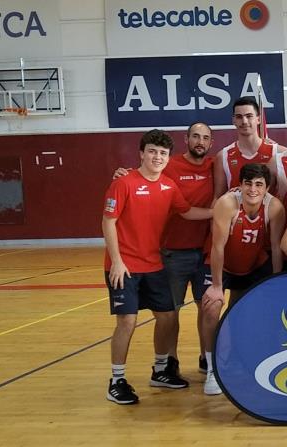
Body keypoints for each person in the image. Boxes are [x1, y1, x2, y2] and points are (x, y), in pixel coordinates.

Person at [102, 129, 212, 405]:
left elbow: (186, 211)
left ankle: (161, 370)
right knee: (128, 320)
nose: (157, 157)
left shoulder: (168, 186)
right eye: (152, 151)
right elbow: (108, 221)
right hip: (124, 267)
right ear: (141, 153)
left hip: (154, 263)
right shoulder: (123, 182)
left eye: (162, 153)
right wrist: (116, 260)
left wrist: (221, 210)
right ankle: (116, 380)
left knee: (167, 317)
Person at [200, 163, 285, 395]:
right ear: (240, 185)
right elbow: (217, 247)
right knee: (211, 306)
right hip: (223, 264)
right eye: (248, 183)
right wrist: (217, 286)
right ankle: (211, 369)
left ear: (267, 188)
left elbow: (277, 248)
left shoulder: (274, 207)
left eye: (259, 184)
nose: (253, 189)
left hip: (253, 265)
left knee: (243, 313)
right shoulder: (227, 204)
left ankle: (242, 359)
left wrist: (275, 283)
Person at [214, 97, 284, 197]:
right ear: (233, 120)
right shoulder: (223, 156)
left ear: (258, 119)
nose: (244, 121)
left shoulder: (278, 152)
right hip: (235, 211)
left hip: (269, 211)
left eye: (249, 116)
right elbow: (218, 197)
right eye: (239, 117)